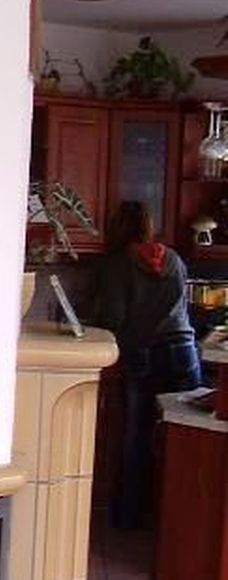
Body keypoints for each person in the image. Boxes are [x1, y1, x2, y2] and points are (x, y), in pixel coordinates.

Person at [92, 201, 201, 529]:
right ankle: (180, 521)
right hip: (183, 351)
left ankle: (129, 518)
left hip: (143, 354)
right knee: (185, 438)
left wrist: (93, 320)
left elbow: (113, 318)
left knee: (136, 438)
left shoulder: (117, 265)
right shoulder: (174, 259)